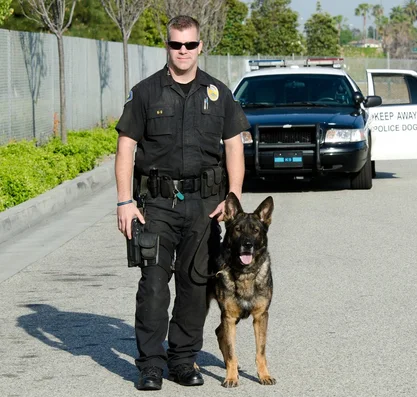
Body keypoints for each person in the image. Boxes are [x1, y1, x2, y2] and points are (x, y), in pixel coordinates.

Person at [114, 15, 249, 391]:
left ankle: (183, 360)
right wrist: (125, 200)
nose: (183, 51)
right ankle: (151, 365)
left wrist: (233, 199)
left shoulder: (219, 94)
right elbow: (126, 147)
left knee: (194, 287)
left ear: (200, 46)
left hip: (205, 206)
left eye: (190, 45)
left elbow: (234, 147)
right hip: (156, 205)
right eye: (176, 45)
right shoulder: (145, 93)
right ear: (168, 46)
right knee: (154, 286)